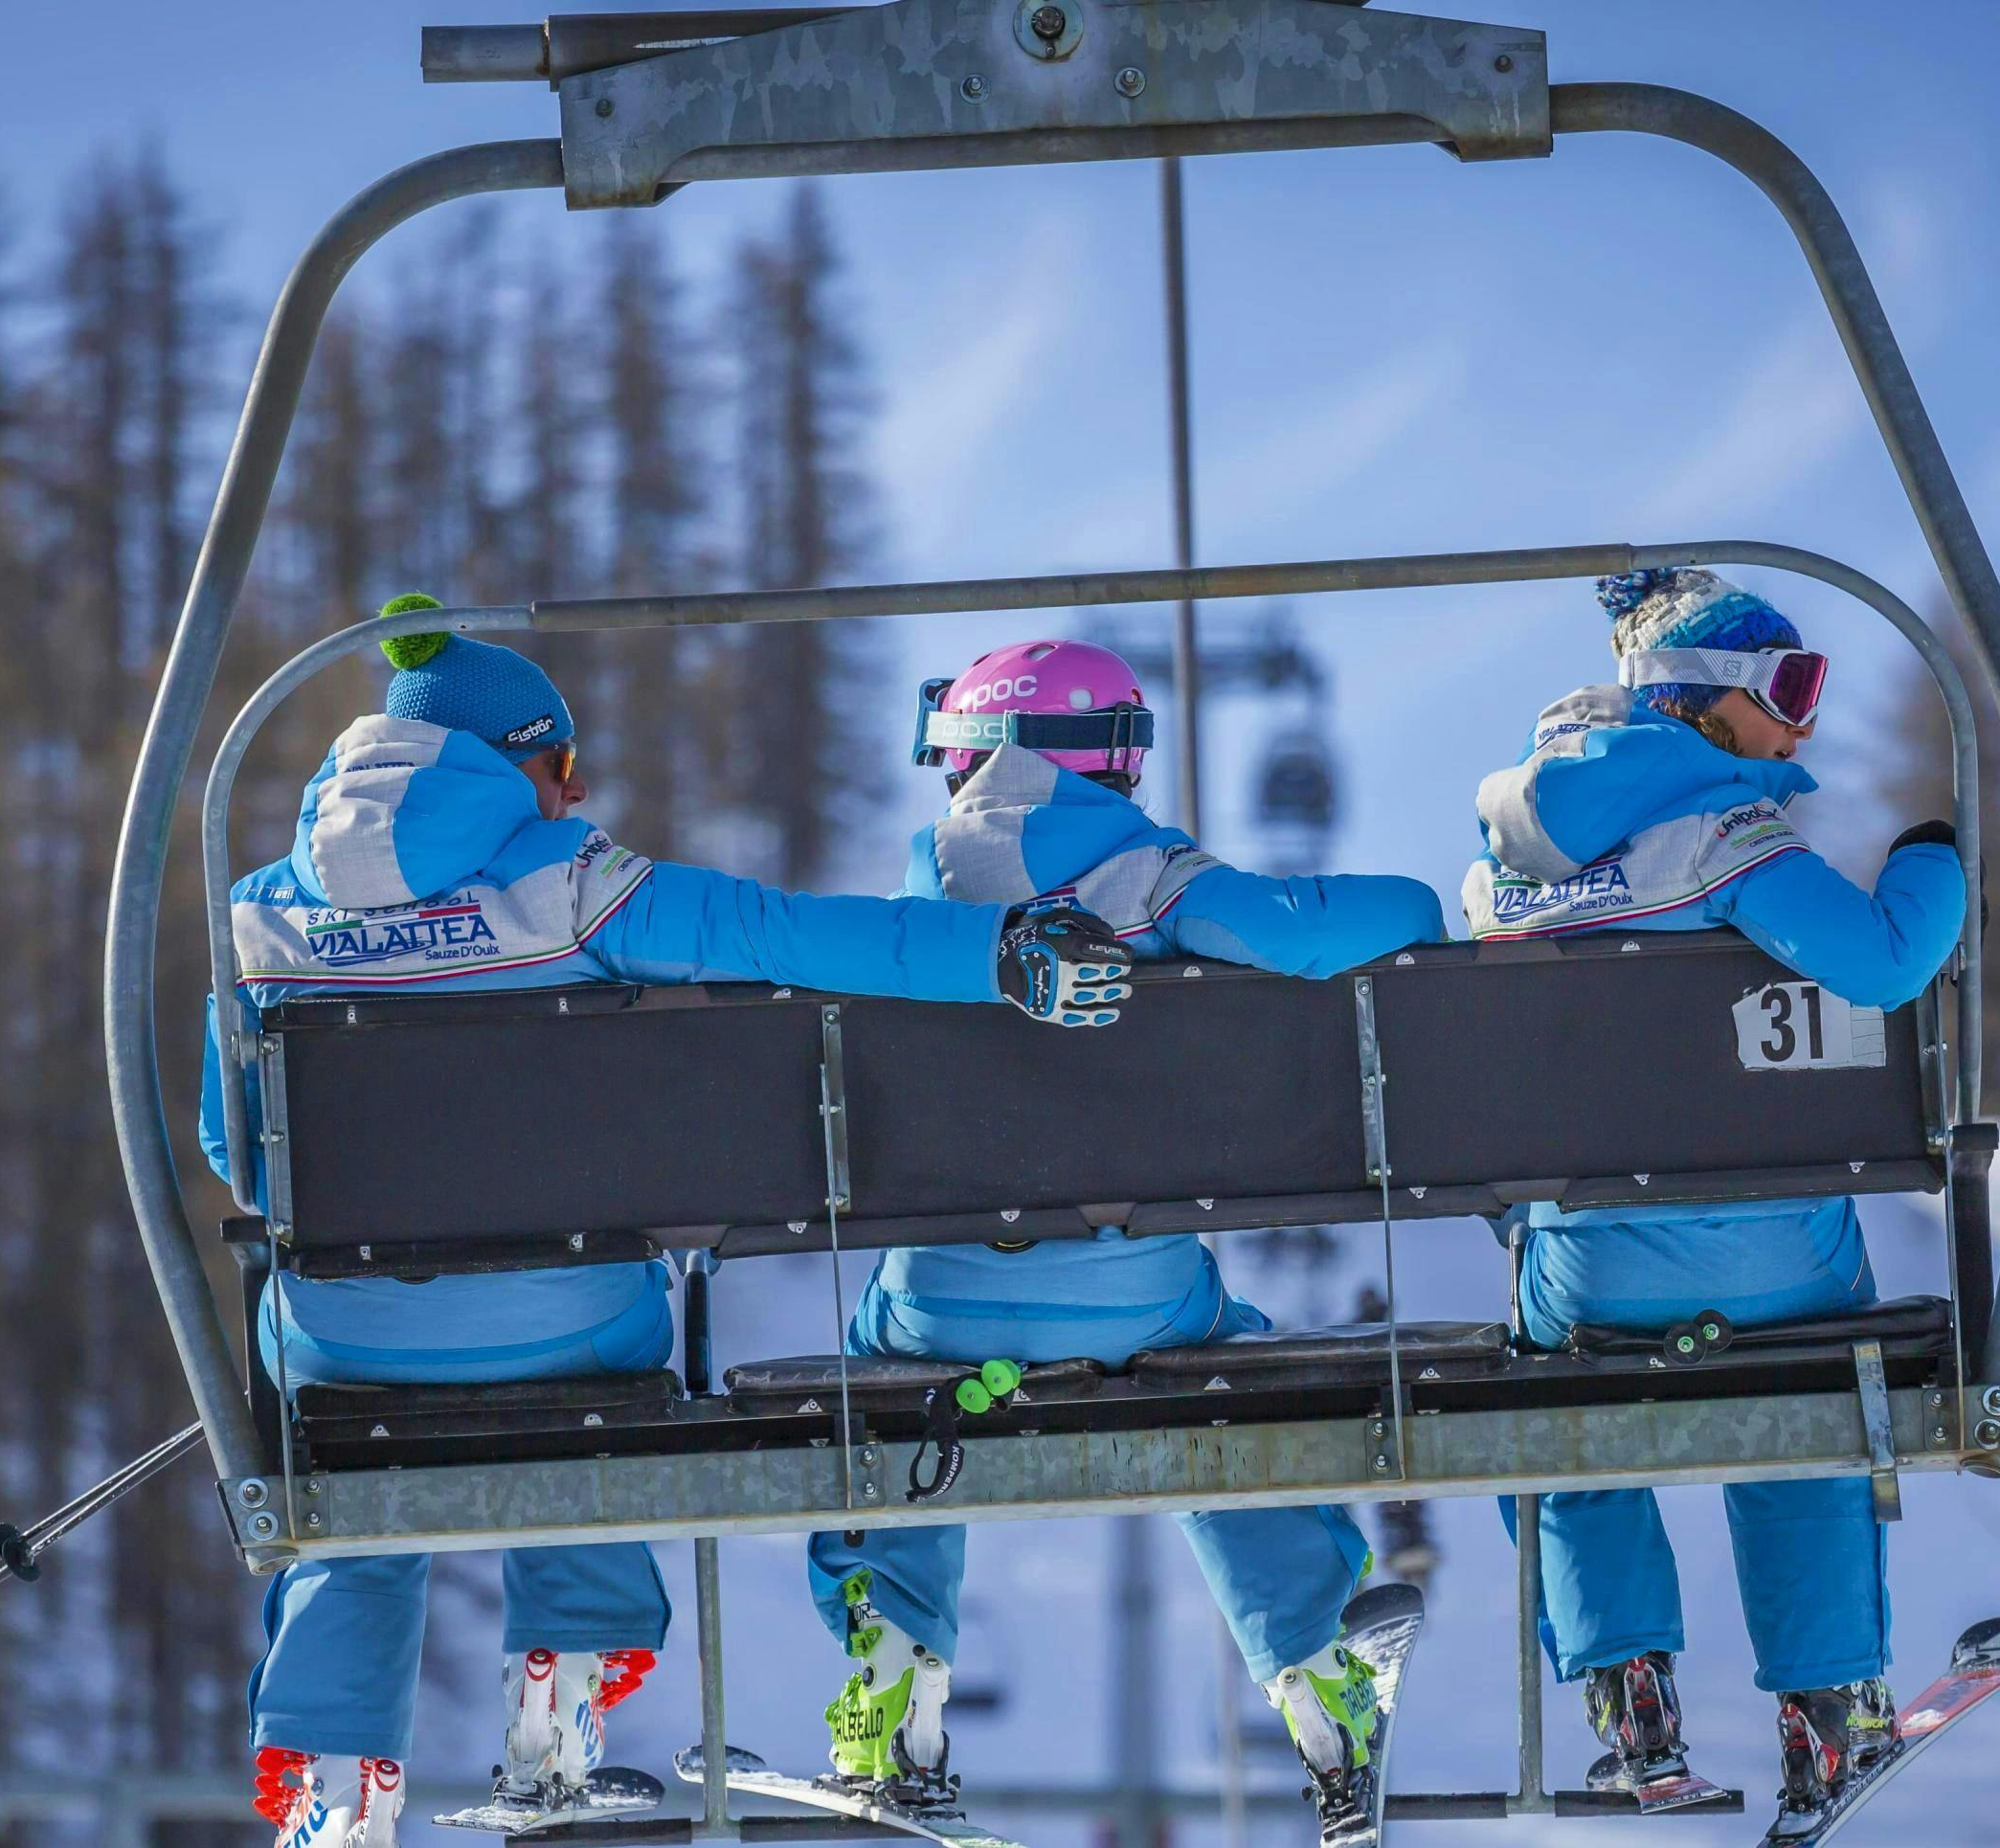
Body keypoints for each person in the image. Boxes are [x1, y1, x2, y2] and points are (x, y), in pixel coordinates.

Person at [201, 599, 1141, 1848]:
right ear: (524, 762)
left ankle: (330, 1787)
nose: (572, 788)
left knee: (349, 1479)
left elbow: (235, 1151)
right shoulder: (578, 887)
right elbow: (791, 934)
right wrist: (999, 952)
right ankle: (562, 1703)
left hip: (338, 1344)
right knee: (584, 1412)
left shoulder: (260, 919)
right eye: (563, 764)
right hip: (572, 1324)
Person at [803, 641, 1448, 1837]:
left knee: (874, 1365)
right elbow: (1327, 933)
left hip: (945, 1307)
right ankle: (1317, 1669)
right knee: (1229, 1374)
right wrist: (1417, 900)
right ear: (1095, 755)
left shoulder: (914, 894)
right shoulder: (1153, 875)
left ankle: (888, 1675)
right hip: (1135, 1300)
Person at [1460, 569, 1964, 1837]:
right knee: (1805, 1392)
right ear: (1705, 706)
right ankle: (1826, 1710)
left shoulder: (1503, 870)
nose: (1805, 724)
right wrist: (1931, 860)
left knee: (1561, 1403)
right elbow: (1887, 958)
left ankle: (1632, 1703)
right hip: (1770, 1262)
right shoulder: (1729, 840)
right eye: (1788, 689)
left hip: (1589, 1279)